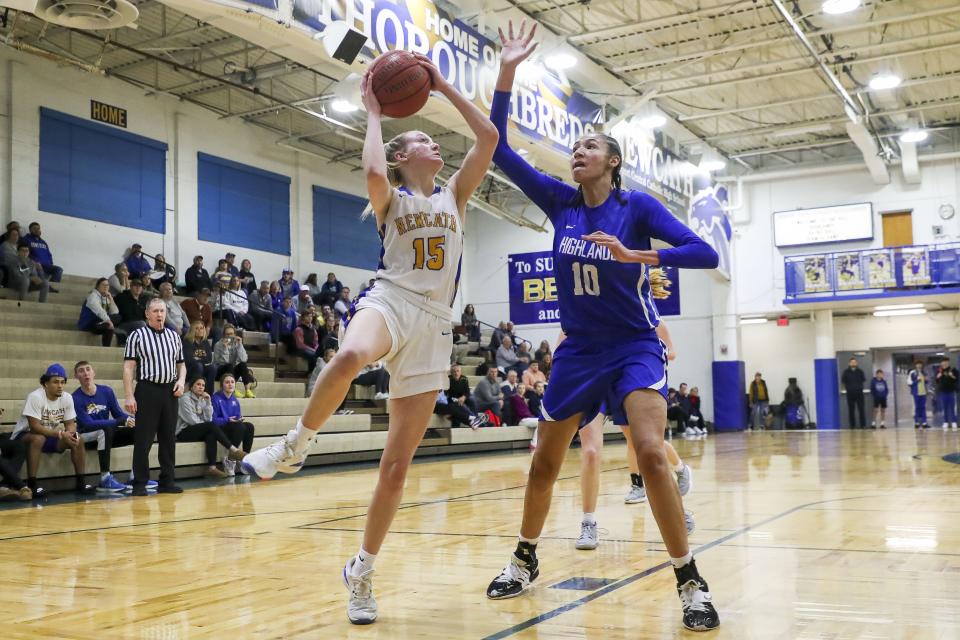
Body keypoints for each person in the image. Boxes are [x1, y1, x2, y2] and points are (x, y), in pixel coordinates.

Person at [241, 52, 498, 626]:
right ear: (406, 156)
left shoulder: (455, 195)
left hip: (435, 322)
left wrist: (442, 85)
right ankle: (295, 445)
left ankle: (360, 570)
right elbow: (375, 173)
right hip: (391, 299)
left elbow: (488, 135)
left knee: (396, 468)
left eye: (434, 139)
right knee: (353, 352)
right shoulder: (393, 198)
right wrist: (375, 114)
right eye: (424, 140)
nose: (436, 144)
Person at [483, 23, 719, 631]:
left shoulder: (635, 208)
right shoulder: (561, 204)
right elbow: (497, 147)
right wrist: (506, 73)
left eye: (590, 146)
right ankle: (525, 556)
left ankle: (689, 579)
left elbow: (704, 253)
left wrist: (641, 256)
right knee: (543, 464)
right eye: (576, 146)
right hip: (578, 350)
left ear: (612, 162)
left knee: (650, 455)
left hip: (634, 346)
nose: (578, 151)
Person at [123, 297, 187, 495]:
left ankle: (167, 480)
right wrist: (129, 395)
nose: (160, 314)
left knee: (168, 438)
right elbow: (128, 367)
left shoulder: (174, 336)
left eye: (162, 311)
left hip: (169, 391)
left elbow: (182, 365)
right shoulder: (137, 335)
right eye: (156, 311)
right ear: (147, 314)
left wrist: (181, 381)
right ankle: (140, 482)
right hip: (147, 389)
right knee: (144, 438)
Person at [11, 363, 96, 498]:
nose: (60, 386)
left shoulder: (67, 398)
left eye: (62, 382)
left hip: (49, 436)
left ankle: (81, 483)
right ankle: (32, 484)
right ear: (45, 383)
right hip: (24, 437)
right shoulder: (35, 397)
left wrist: (70, 434)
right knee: (38, 438)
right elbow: (35, 427)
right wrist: (60, 434)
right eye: (56, 382)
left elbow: (70, 423)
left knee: (77, 438)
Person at [72, 361, 135, 493]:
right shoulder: (75, 398)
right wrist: (118, 422)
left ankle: (136, 475)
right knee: (104, 429)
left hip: (106, 435)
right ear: (76, 376)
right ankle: (105, 479)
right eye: (81, 371)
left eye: (88, 369)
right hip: (86, 438)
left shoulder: (106, 391)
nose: (85, 373)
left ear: (93, 372)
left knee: (139, 430)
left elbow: (118, 413)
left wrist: (130, 419)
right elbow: (87, 424)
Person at [176, 377, 246, 479]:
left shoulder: (202, 399)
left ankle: (212, 468)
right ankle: (233, 450)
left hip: (197, 429)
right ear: (191, 387)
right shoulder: (184, 399)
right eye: (198, 384)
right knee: (211, 427)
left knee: (211, 433)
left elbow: (208, 419)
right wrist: (206, 425)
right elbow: (192, 421)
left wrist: (208, 402)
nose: (201, 387)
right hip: (183, 432)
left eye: (203, 385)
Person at [211, 373, 256, 474]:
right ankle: (230, 460)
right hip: (220, 428)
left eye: (232, 382)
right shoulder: (215, 398)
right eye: (227, 382)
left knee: (249, 426)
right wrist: (227, 419)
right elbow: (213, 420)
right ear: (222, 385)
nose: (230, 384)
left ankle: (244, 459)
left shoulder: (234, 399)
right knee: (239, 426)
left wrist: (239, 419)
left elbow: (237, 417)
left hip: (233, 426)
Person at [213, 324, 258, 398]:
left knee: (242, 365)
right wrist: (225, 348)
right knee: (229, 365)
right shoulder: (218, 345)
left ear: (235, 334)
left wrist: (240, 345)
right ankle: (233, 390)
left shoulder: (236, 343)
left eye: (231, 334)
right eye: (227, 334)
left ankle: (247, 390)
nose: (229, 336)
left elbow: (243, 359)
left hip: (231, 372)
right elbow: (224, 362)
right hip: (220, 372)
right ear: (223, 335)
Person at [78, 278, 121, 347]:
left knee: (116, 318)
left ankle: (106, 348)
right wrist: (108, 320)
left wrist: (111, 299)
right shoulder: (92, 296)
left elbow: (115, 312)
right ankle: (105, 324)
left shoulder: (106, 297)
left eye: (107, 285)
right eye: (103, 285)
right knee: (108, 324)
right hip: (88, 323)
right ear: (98, 286)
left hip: (100, 322)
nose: (106, 287)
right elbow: (99, 311)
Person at [24, 221, 62, 288]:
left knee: (59, 270)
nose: (37, 230)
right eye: (35, 228)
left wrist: (50, 263)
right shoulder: (26, 240)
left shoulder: (43, 242)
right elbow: (24, 254)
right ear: (30, 230)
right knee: (40, 277)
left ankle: (51, 287)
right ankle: (47, 288)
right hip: (35, 267)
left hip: (47, 266)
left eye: (38, 228)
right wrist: (33, 264)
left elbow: (49, 254)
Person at [184, 320, 217, 395]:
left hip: (201, 367)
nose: (200, 330)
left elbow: (209, 359)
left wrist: (197, 359)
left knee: (213, 367)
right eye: (197, 328)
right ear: (192, 330)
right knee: (199, 366)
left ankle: (208, 394)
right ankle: (193, 391)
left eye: (202, 328)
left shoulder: (205, 342)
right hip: (189, 370)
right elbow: (188, 359)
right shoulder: (187, 342)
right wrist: (200, 360)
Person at [841, 357, 867, 429]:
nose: (853, 363)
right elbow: (843, 381)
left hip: (859, 393)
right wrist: (848, 388)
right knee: (851, 410)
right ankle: (852, 425)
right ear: (849, 363)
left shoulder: (860, 371)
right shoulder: (845, 372)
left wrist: (858, 387)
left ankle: (863, 425)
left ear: (856, 363)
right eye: (852, 362)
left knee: (861, 409)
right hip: (850, 394)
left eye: (854, 362)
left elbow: (863, 380)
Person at [935, 357, 958, 430]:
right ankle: (945, 422)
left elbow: (957, 379)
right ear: (941, 363)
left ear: (948, 362)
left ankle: (954, 422)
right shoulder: (939, 370)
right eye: (942, 362)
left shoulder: (953, 370)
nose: (944, 363)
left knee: (952, 407)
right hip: (943, 391)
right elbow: (937, 381)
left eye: (945, 361)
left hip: (951, 391)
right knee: (944, 407)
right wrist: (937, 377)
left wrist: (952, 376)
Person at [908, 361, 929, 429]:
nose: (919, 365)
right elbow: (909, 383)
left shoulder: (924, 372)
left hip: (923, 392)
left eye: (920, 364)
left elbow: (926, 382)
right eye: (918, 364)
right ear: (916, 365)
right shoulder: (912, 372)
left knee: (923, 407)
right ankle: (916, 422)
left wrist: (926, 380)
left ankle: (924, 422)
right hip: (916, 393)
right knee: (917, 407)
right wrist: (917, 380)